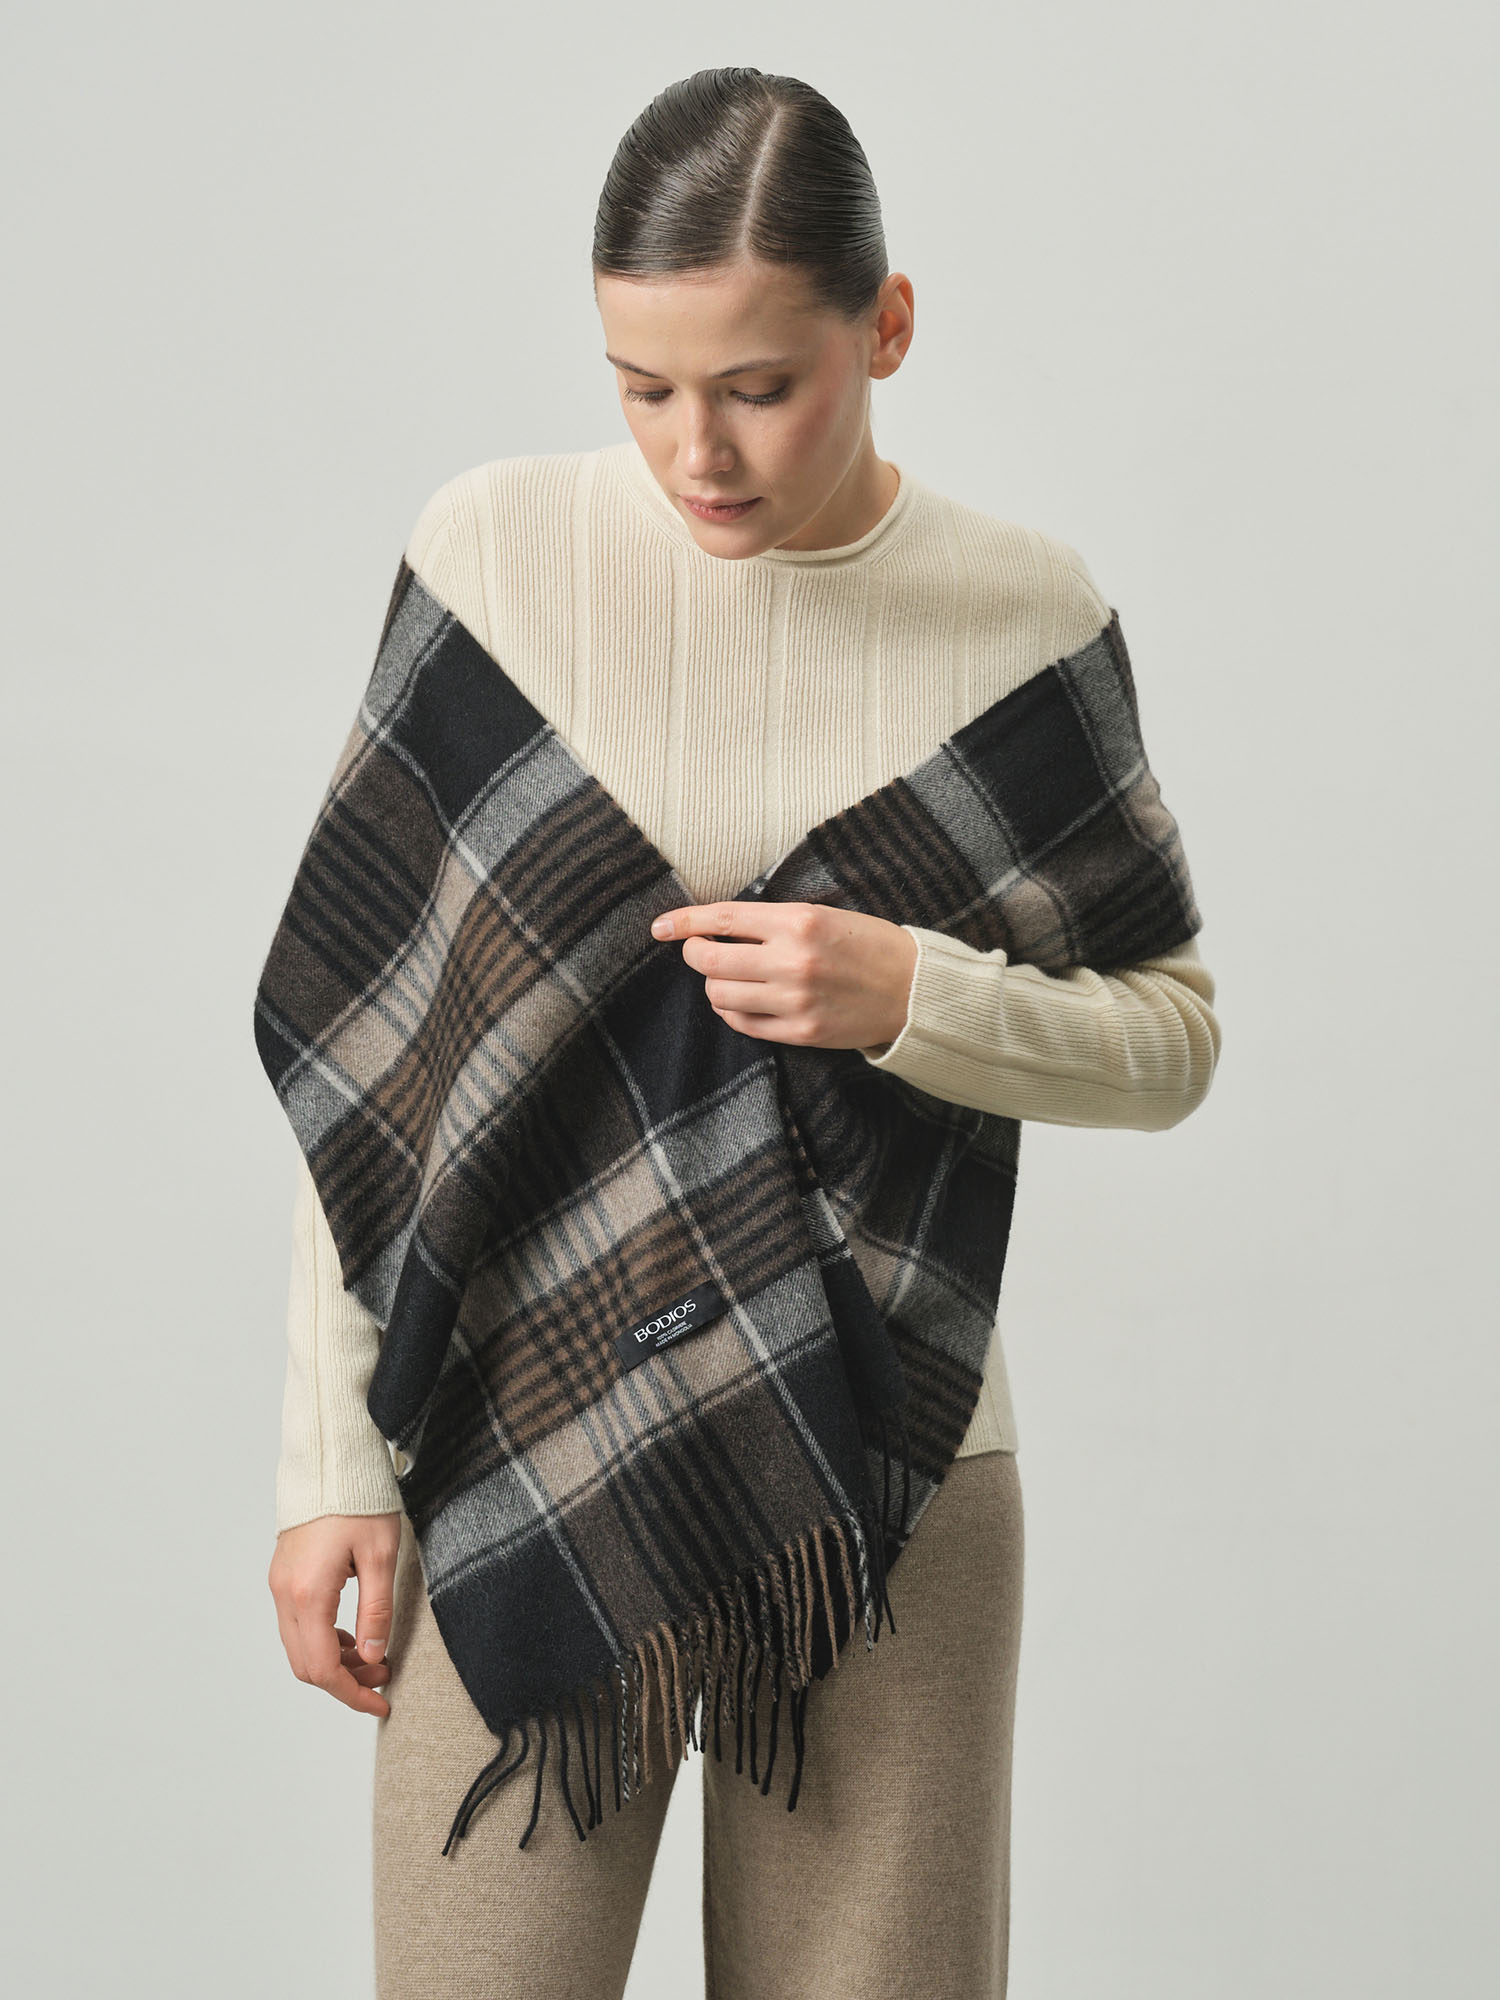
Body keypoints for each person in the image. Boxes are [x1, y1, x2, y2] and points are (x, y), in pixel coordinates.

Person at [264, 65, 1220, 1999]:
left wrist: (911, 996)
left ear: (889, 327)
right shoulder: (495, 557)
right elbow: (388, 1065)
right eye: (643, 386)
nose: (696, 450)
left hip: (882, 1462)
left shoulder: (1022, 616)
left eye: (761, 386)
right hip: (513, 1430)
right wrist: (331, 1468)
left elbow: (1171, 1036)